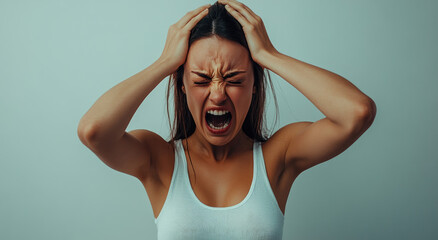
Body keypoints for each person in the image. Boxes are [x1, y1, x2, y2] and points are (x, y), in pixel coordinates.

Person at [77, 0, 376, 239]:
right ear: (182, 86)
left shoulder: (278, 156)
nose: (218, 94)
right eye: (201, 79)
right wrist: (165, 63)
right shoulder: (160, 159)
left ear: (254, 84)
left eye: (233, 78)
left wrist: (268, 54)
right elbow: (94, 131)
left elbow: (356, 112)